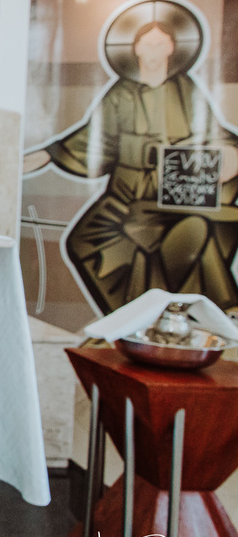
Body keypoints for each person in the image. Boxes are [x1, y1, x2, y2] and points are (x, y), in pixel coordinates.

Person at [24, 15, 238, 314]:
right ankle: (130, 319)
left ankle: (187, 317)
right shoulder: (121, 93)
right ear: (135, 49)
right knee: (84, 242)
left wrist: (227, 153)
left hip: (174, 197)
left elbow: (218, 136)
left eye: (161, 44)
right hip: (124, 197)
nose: (153, 50)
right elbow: (91, 141)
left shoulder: (185, 89)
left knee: (193, 234)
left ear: (172, 49)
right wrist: (39, 157)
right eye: (146, 43)